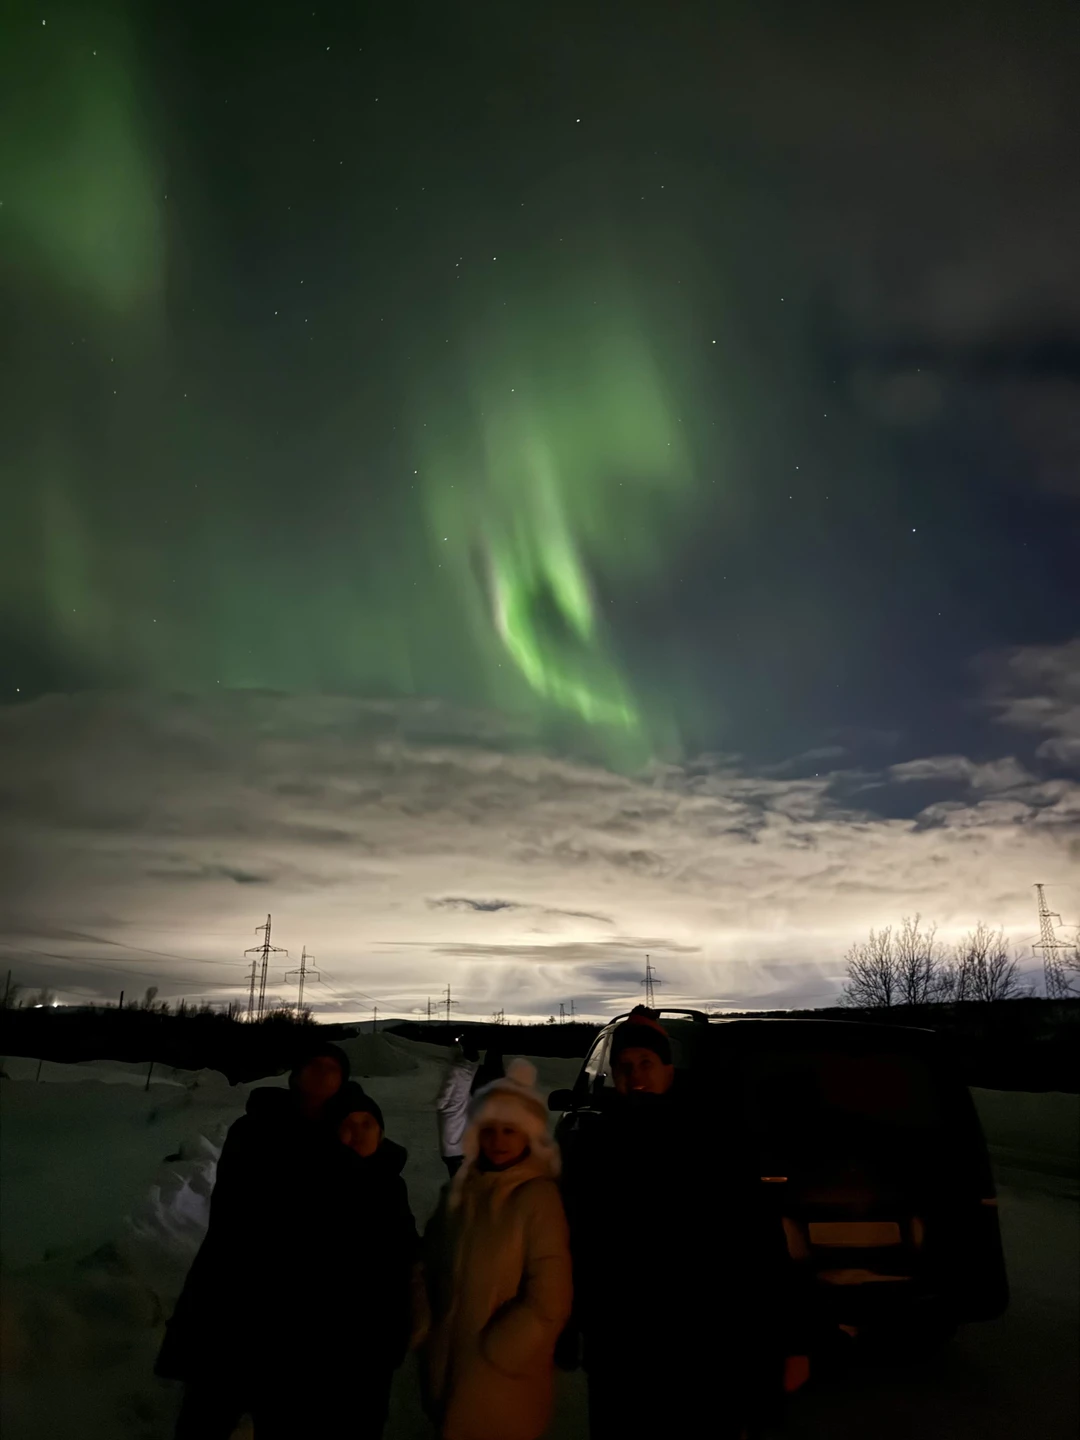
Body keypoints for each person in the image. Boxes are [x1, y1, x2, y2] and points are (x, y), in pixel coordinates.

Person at [561, 1008, 809, 1440]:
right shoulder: (595, 1147)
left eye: (646, 1063)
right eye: (624, 1066)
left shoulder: (711, 1141)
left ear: (668, 1070)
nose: (635, 1075)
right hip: (620, 1351)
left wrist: (790, 1340)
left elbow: (759, 1244)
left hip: (700, 1347)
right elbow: (576, 1244)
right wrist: (568, 1325)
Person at [156, 1041, 350, 1437]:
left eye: (332, 1068)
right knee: (212, 1400)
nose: (321, 1074)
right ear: (295, 1074)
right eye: (313, 1064)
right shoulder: (256, 1126)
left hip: (305, 1300)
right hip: (237, 1287)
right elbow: (234, 1206)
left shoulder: (345, 1133)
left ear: (343, 1082)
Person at [422, 1058, 572, 1440]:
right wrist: (425, 1319)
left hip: (502, 1380)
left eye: (509, 1130)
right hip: (448, 1372)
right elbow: (427, 1260)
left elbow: (550, 1296)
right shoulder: (461, 1190)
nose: (498, 1140)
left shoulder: (536, 1197)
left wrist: (501, 1350)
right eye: (489, 1129)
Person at [270, 1081, 420, 1438]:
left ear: (381, 1132)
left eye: (367, 1123)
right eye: (348, 1124)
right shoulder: (310, 1181)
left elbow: (405, 1253)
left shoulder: (391, 1185)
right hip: (315, 1343)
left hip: (373, 1343)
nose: (358, 1132)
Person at [435, 1037, 479, 1177]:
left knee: (454, 1172)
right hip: (464, 1122)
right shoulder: (471, 1070)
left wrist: (439, 1105)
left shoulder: (455, 1071)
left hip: (450, 1121)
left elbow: (444, 1097)